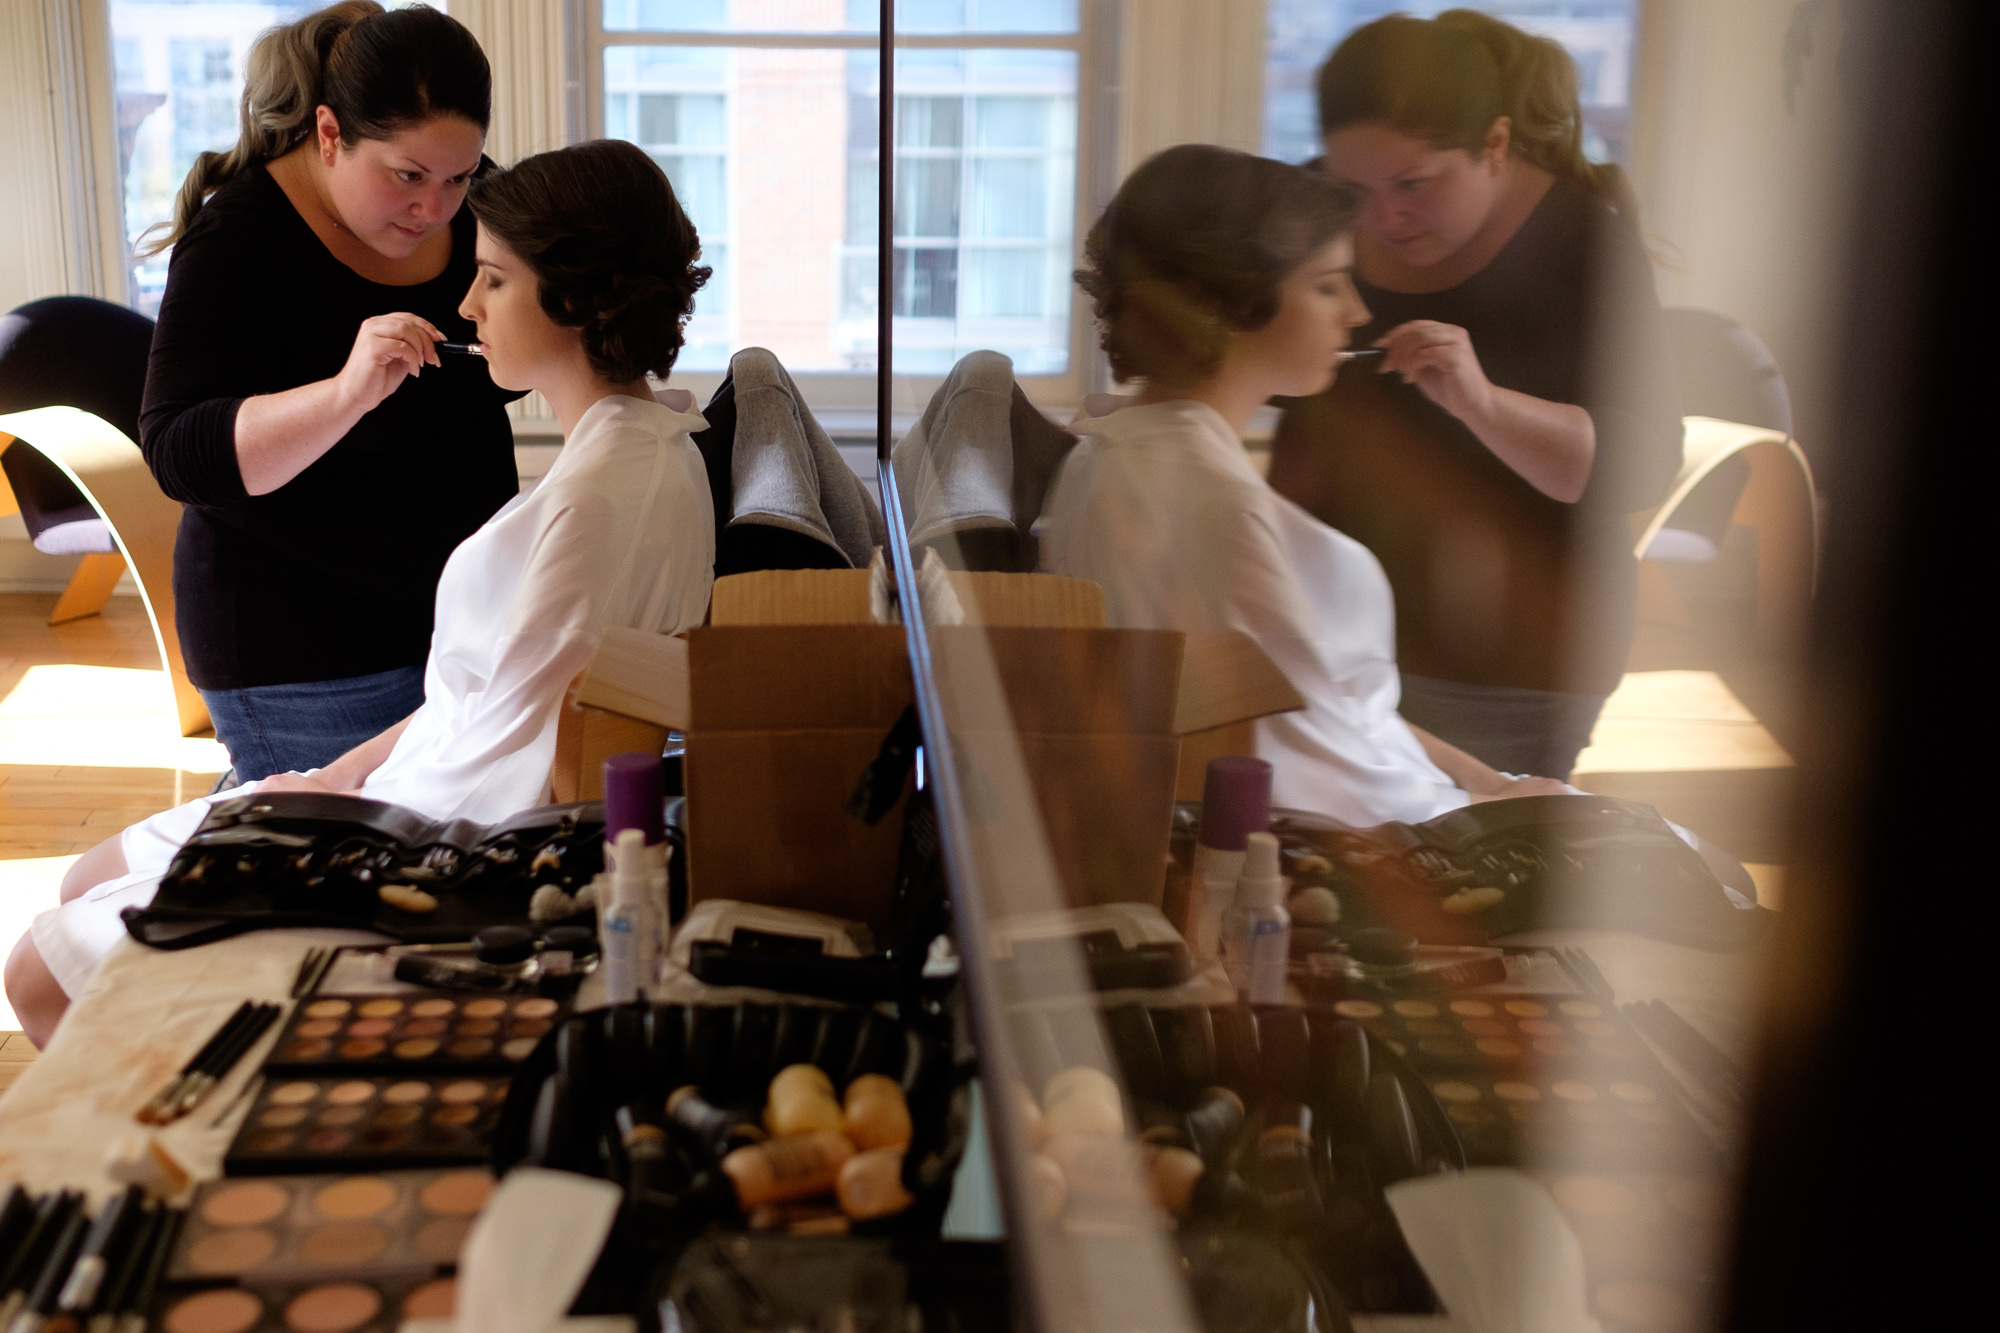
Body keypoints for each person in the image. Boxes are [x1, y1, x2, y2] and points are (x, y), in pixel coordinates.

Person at [6, 139, 718, 1048]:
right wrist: (338, 771)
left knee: (36, 970)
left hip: (438, 837)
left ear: (572, 297)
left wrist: (322, 813)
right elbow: (479, 699)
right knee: (83, 878)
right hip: (409, 780)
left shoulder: (603, 493)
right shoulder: (639, 445)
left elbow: (511, 766)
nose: (464, 304)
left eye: (493, 281)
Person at [1040, 143, 1569, 829]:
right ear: (1229, 303)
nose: (1354, 312)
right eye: (1326, 285)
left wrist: (1485, 778)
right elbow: (1302, 769)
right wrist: (1486, 813)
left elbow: (1336, 712)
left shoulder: (1126, 445)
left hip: (1402, 794)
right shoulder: (1207, 503)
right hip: (1363, 839)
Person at [1266, 11, 1683, 781]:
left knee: (1470, 867)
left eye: (1415, 184)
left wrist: (1484, 404)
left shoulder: (1582, 243)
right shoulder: (1315, 209)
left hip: (1513, 660)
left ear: (1494, 146)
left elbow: (1644, 465)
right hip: (1332, 636)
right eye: (1353, 186)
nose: (1381, 217)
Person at [139, 2, 521, 782]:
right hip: (300, 652)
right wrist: (345, 394)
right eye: (407, 175)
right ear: (328, 135)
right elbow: (178, 453)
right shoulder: (240, 240)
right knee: (329, 865)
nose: (434, 208)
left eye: (458, 175)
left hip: (460, 629)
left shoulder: (481, 209)